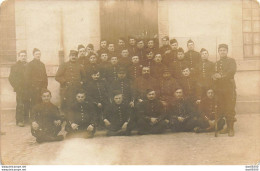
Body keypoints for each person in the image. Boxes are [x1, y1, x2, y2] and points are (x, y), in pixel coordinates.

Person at [212, 44, 237, 137]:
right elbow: (214, 73)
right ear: (218, 52)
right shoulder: (217, 63)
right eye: (221, 50)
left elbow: (232, 71)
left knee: (230, 108)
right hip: (220, 89)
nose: (222, 52)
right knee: (223, 107)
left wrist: (221, 76)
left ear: (227, 51)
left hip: (229, 88)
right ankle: (227, 127)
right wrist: (214, 76)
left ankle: (231, 128)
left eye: (224, 50)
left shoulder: (231, 61)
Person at [55, 50, 86, 115]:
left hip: (77, 89)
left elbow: (84, 77)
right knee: (67, 105)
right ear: (69, 56)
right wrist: (64, 82)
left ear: (77, 57)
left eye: (75, 56)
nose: (73, 57)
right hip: (67, 89)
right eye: (72, 55)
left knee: (76, 105)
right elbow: (57, 77)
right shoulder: (64, 65)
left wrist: (81, 82)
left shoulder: (80, 66)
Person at [9, 50, 30, 127]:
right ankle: (19, 121)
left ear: (26, 56)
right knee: (20, 104)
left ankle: (26, 119)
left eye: (24, 55)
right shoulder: (15, 66)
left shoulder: (29, 65)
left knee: (27, 104)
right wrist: (16, 87)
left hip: (28, 89)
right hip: (20, 89)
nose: (23, 57)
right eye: (21, 56)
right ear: (19, 57)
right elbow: (11, 78)